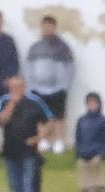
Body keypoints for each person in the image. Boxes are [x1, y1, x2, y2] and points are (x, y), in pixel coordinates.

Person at [0, 76, 47, 192]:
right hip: (10, 151)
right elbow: (0, 121)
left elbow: (47, 123)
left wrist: (38, 138)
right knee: (14, 188)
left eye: (18, 87)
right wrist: (11, 104)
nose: (15, 90)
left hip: (29, 151)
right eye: (12, 87)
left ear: (24, 87)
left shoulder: (35, 102)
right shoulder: (3, 101)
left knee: (29, 187)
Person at [26, 16, 75, 154]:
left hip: (58, 87)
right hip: (38, 88)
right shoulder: (35, 47)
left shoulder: (63, 47)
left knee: (59, 116)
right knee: (41, 116)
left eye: (50, 26)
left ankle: (59, 141)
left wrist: (65, 85)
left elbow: (71, 67)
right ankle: (43, 140)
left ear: (54, 27)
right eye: (45, 26)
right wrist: (31, 85)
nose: (47, 29)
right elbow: (29, 66)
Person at [74, 92, 105, 192]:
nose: (91, 105)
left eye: (94, 103)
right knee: (84, 186)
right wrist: (78, 153)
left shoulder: (103, 121)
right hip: (83, 155)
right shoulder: (81, 120)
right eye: (89, 103)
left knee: (97, 186)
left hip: (97, 156)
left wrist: (102, 154)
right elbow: (78, 138)